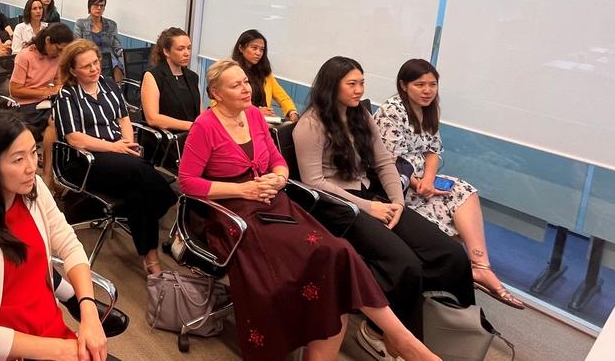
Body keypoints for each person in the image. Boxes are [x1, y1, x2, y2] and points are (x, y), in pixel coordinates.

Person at [179, 60, 439, 361]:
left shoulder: (253, 116)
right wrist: (243, 190)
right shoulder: (206, 126)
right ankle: (407, 343)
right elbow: (187, 182)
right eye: (235, 85)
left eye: (246, 82)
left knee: (339, 252)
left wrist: (278, 178)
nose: (246, 88)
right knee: (328, 262)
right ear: (216, 93)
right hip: (233, 213)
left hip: (273, 202)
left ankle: (403, 340)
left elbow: (277, 161)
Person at [291, 56, 474, 350]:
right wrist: (369, 208)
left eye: (362, 83)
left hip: (372, 197)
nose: (359, 90)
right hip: (339, 207)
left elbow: (384, 162)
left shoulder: (360, 116)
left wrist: (397, 202)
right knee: (404, 264)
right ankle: (388, 335)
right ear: (331, 86)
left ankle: (455, 331)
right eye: (352, 84)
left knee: (449, 253)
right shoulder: (310, 125)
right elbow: (315, 182)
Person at [0, 111, 107, 361]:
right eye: (18, 159)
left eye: (33, 152)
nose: (31, 167)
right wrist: (65, 351)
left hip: (48, 332)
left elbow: (70, 246)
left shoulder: (34, 191)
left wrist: (89, 313)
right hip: (2, 350)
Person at [374, 59, 524, 309]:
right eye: (420, 84)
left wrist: (428, 179)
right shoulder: (393, 111)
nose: (427, 90)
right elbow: (388, 162)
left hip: (422, 182)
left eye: (432, 84)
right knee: (449, 219)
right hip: (397, 186)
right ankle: (447, 280)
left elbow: (433, 150)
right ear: (403, 85)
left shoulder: (427, 109)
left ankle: (480, 266)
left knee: (465, 191)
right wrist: (418, 184)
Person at [53, 40, 175, 275]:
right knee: (140, 171)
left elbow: (124, 119)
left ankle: (151, 261)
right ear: (72, 71)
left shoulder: (109, 85)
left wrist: (127, 144)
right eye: (86, 66)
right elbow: (75, 138)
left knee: (138, 194)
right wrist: (114, 147)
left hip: (120, 156)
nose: (94, 68)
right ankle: (167, 199)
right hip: (86, 160)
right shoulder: (67, 95)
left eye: (96, 62)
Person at [9, 23, 75, 186]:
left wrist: (57, 88)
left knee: (58, 122)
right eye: (58, 49)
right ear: (47, 41)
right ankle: (48, 174)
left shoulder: (56, 57)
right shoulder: (26, 56)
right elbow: (14, 90)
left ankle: (50, 173)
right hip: (24, 105)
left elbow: (57, 81)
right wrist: (45, 92)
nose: (60, 53)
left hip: (45, 103)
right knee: (54, 123)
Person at [140, 27, 201, 167]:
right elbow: (152, 118)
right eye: (180, 49)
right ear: (166, 52)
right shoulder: (153, 76)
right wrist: (192, 126)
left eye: (189, 48)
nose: (187, 53)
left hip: (191, 136)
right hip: (166, 140)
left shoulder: (192, 77)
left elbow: (199, 112)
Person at [231, 29, 299, 123]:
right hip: (240, 123)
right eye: (254, 48)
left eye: (262, 49)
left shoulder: (265, 73)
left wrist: (292, 112)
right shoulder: (229, 72)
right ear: (241, 48)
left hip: (264, 122)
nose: (258, 53)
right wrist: (256, 112)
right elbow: (222, 105)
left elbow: (283, 97)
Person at [73, 0, 125, 83]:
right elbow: (77, 45)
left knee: (117, 67)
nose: (99, 8)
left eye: (102, 6)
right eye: (96, 5)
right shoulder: (81, 24)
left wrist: (123, 56)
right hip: (90, 57)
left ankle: (117, 88)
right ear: (89, 6)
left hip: (109, 58)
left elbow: (117, 46)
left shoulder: (111, 24)